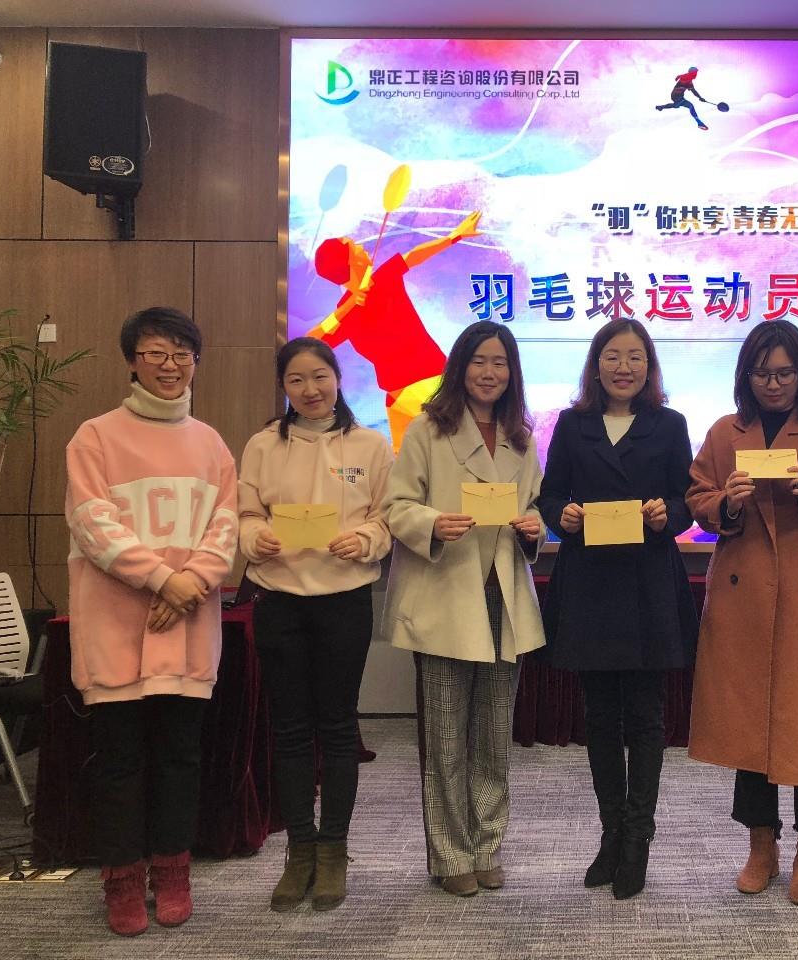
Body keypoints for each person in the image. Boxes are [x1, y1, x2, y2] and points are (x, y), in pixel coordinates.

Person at [686, 319, 798, 907]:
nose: (773, 383)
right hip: (742, 597)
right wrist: (726, 503)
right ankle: (760, 846)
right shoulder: (724, 432)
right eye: (762, 373)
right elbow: (697, 497)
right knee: (749, 726)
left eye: (784, 373)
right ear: (746, 376)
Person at [64, 307, 238, 936]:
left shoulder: (211, 443)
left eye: (182, 354)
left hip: (187, 627)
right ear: (132, 361)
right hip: (115, 625)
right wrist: (167, 580)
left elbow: (225, 526)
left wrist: (190, 584)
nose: (171, 366)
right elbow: (93, 525)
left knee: (179, 756)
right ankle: (120, 879)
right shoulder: (95, 437)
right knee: (119, 760)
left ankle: (172, 870)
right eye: (156, 353)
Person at [381, 321, 546, 897]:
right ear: (460, 366)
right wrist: (432, 522)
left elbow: (533, 507)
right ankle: (451, 855)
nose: (489, 373)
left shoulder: (522, 437)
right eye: (479, 361)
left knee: (494, 734)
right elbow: (396, 505)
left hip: (503, 594)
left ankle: (487, 846)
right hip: (446, 590)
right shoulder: (428, 428)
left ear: (512, 372)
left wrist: (534, 526)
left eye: (500, 363)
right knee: (447, 734)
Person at [538, 318, 698, 900]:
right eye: (612, 356)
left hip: (647, 581)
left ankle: (638, 839)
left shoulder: (669, 424)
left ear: (648, 366)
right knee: (600, 717)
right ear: (596, 364)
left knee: (647, 718)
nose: (623, 367)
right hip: (590, 582)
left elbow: (688, 500)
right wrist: (561, 515)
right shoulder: (572, 424)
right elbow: (550, 494)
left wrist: (668, 515)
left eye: (634, 357)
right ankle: (610, 834)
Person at [238, 337, 394, 912]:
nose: (310, 389)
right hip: (279, 600)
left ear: (337, 379)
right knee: (289, 730)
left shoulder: (370, 444)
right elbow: (244, 514)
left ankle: (333, 851)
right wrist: (255, 537)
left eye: (320, 376)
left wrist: (366, 538)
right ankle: (299, 850)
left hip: (344, 600)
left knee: (338, 727)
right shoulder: (262, 445)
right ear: (284, 386)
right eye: (297, 379)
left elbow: (386, 517)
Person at [308, 207, 482, 451]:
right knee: (446, 454)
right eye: (355, 248)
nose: (362, 248)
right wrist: (348, 306)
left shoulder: (372, 288)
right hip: (421, 387)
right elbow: (309, 342)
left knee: (414, 461)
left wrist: (455, 236)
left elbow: (413, 256)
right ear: (350, 262)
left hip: (405, 393)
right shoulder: (356, 303)